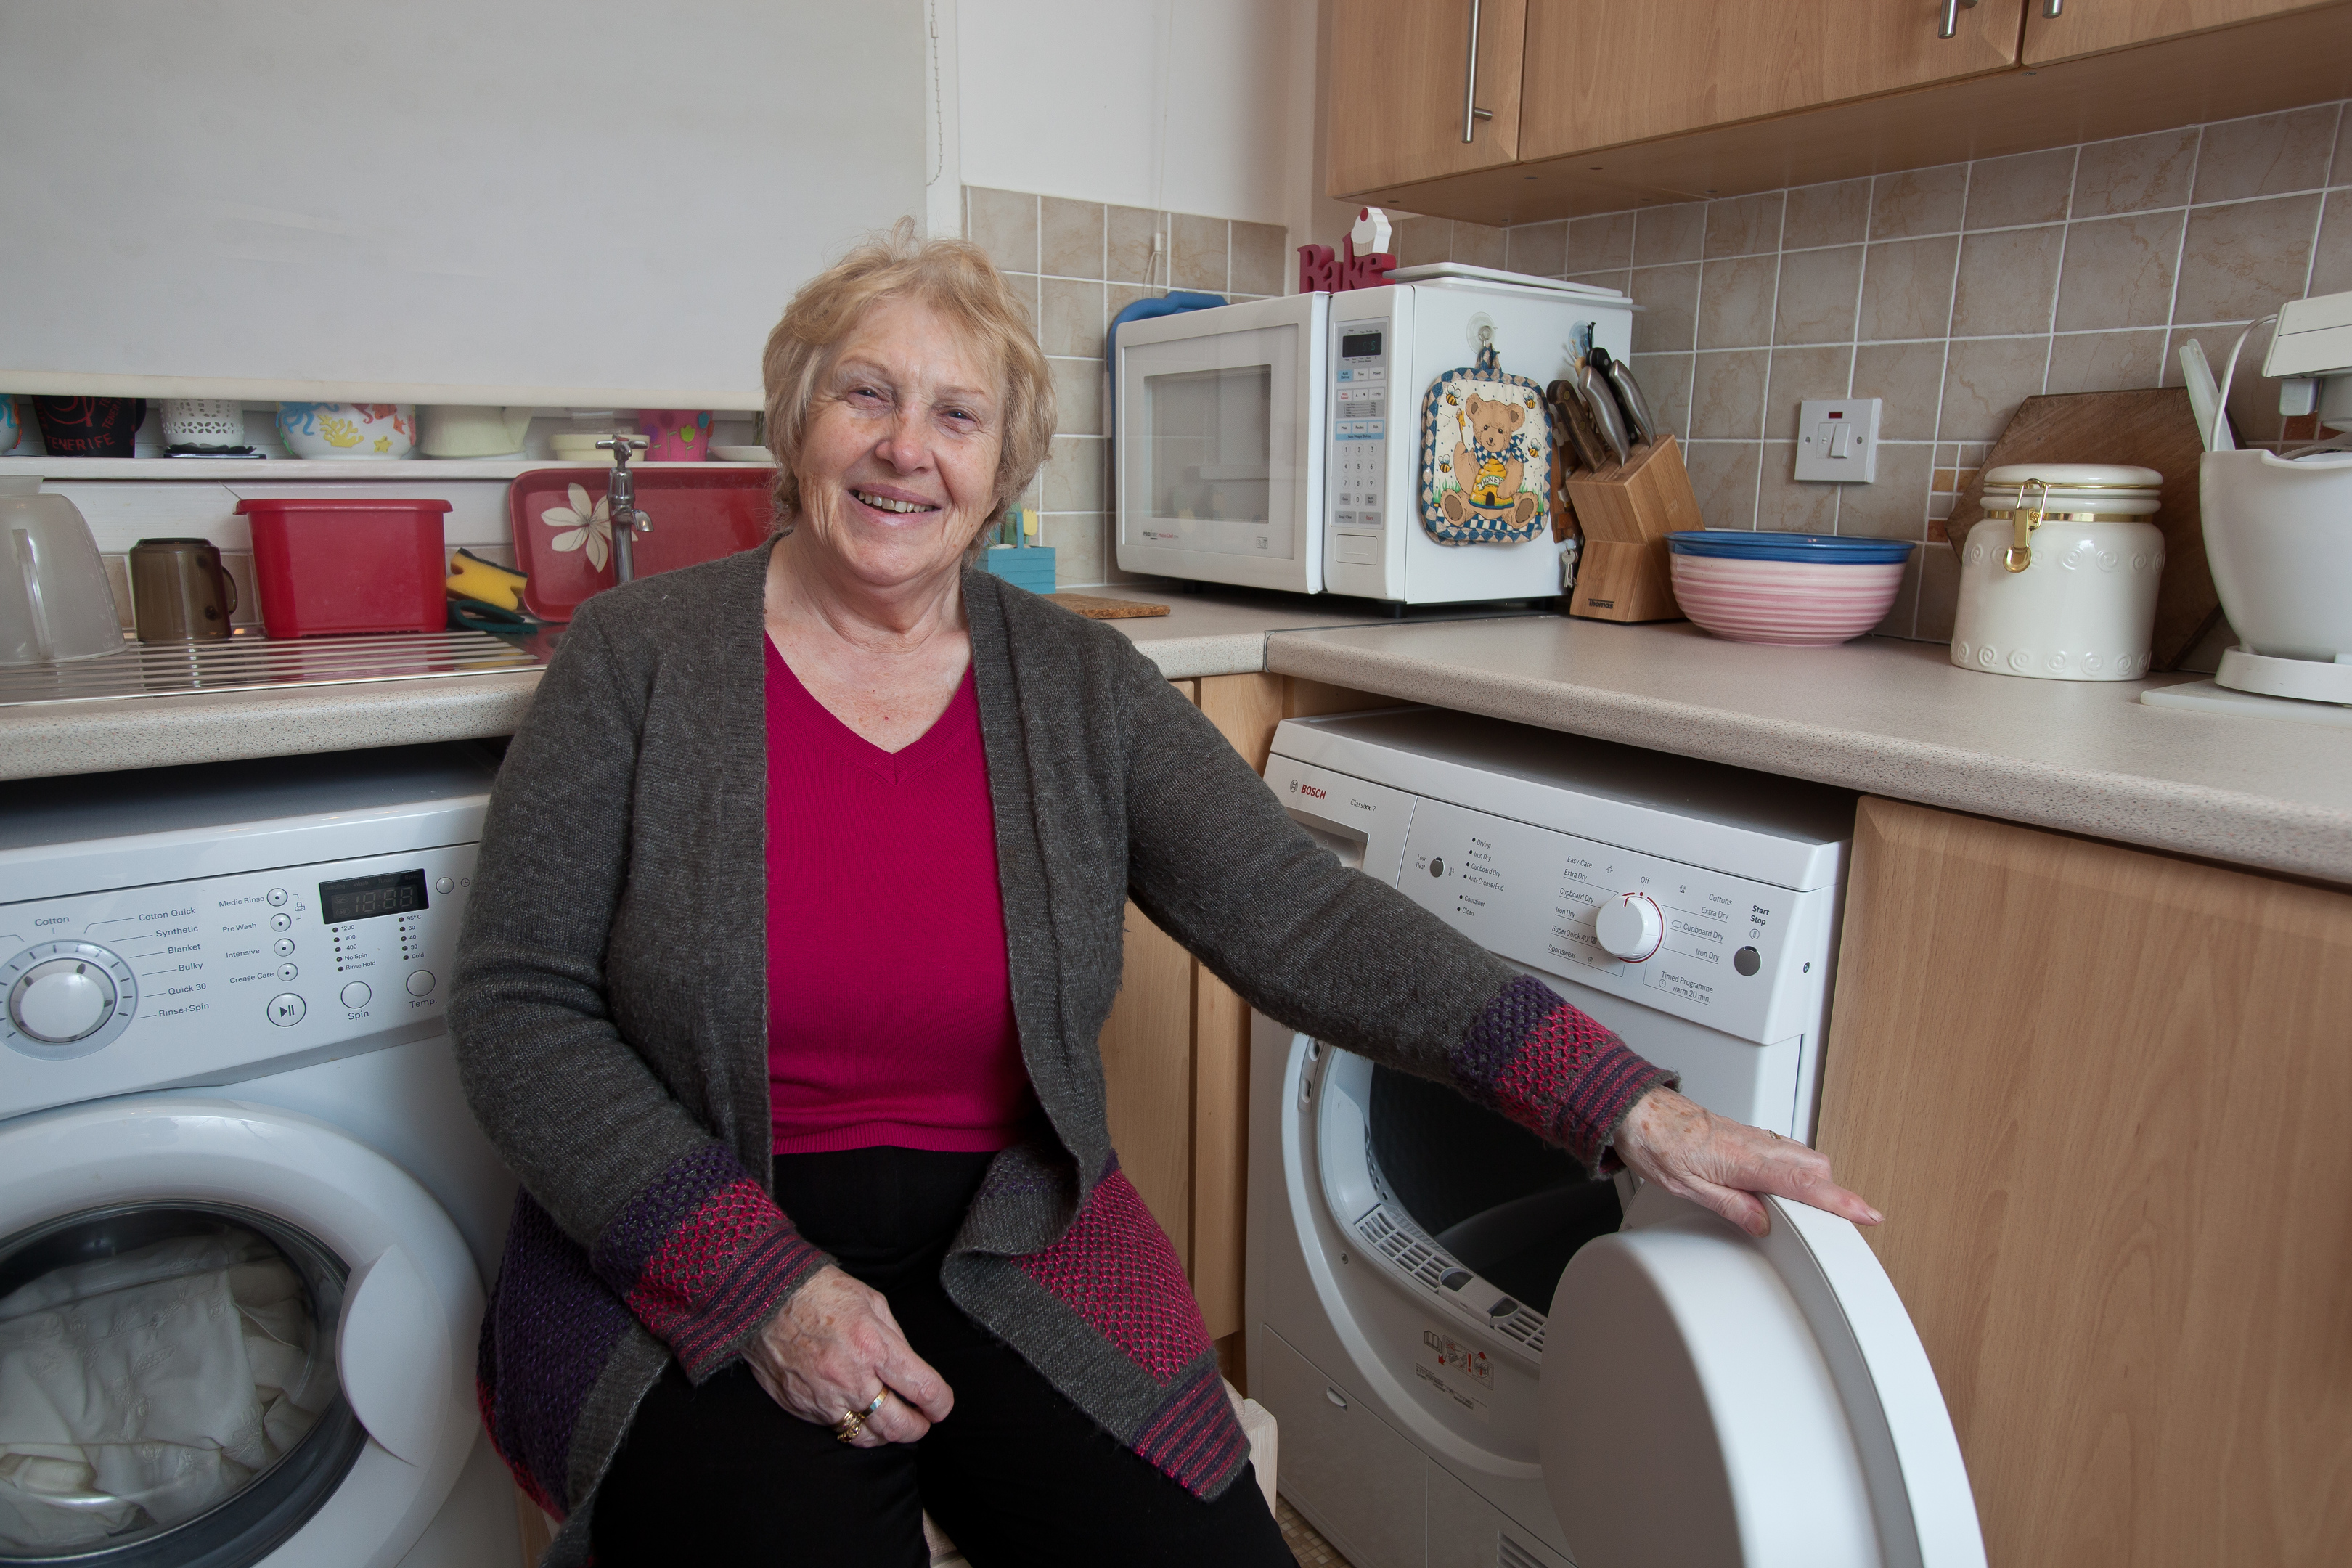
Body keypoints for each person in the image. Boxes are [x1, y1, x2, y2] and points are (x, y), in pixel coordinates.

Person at [449, 222, 1879, 1568]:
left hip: (1014, 1233)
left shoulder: (1079, 690)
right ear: (795, 422)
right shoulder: (638, 660)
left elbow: (1308, 920)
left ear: (1005, 468)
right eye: (863, 397)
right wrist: (760, 1284)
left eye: (956, 416)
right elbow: (523, 1009)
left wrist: (1626, 1103)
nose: (903, 448)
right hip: (705, 1232)